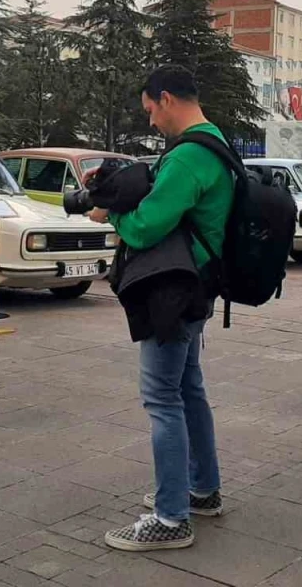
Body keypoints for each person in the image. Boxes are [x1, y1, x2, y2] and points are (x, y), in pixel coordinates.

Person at [91, 65, 231, 551]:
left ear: (166, 98)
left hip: (173, 292)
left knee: (162, 399)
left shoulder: (190, 156)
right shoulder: (216, 143)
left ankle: (171, 519)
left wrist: (111, 212)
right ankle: (202, 490)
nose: (151, 120)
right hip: (197, 287)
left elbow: (147, 226)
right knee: (188, 390)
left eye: (150, 110)